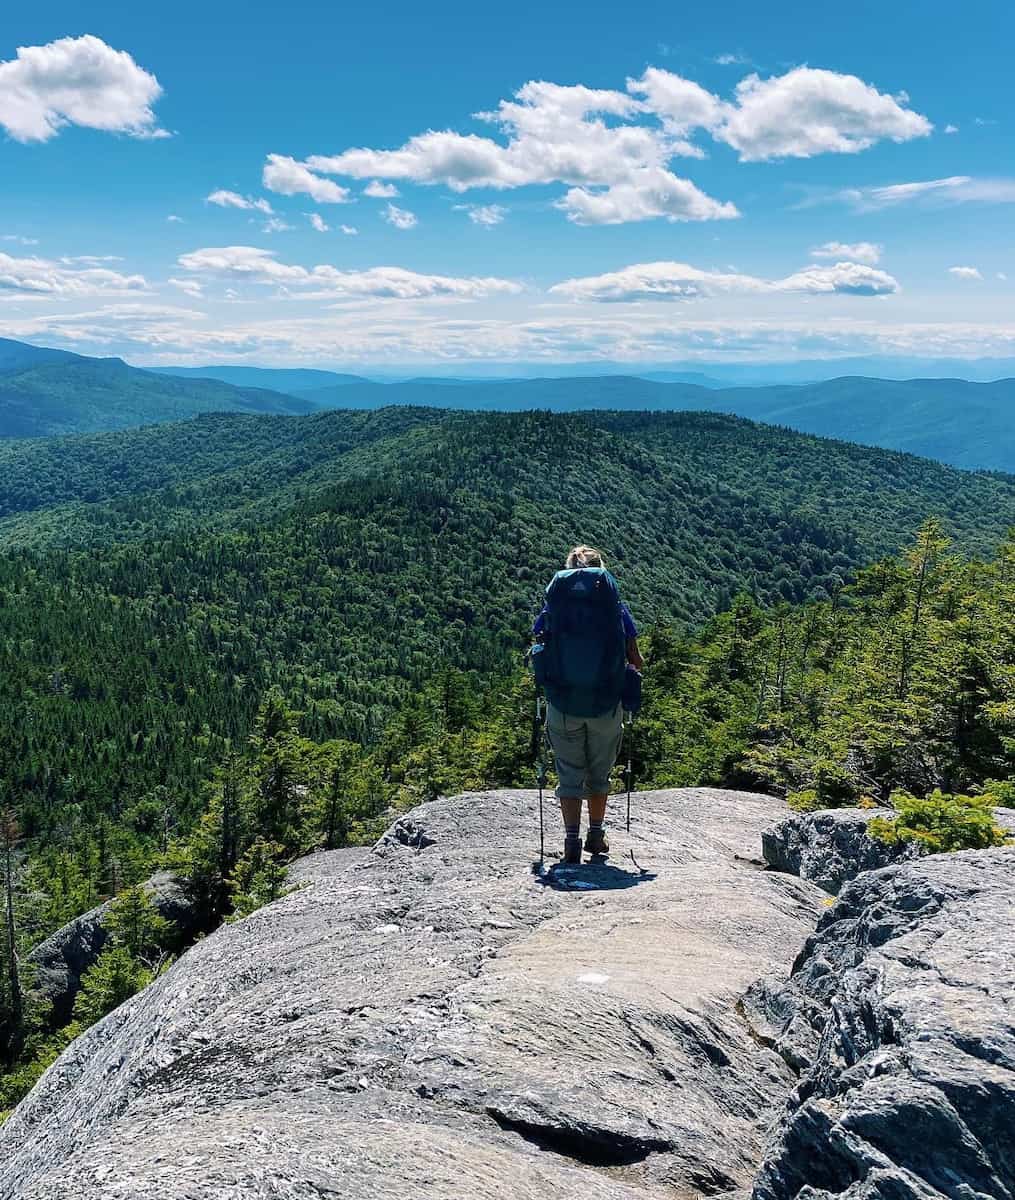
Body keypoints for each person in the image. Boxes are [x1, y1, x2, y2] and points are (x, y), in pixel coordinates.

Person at [533, 545, 643, 865]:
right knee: (599, 773)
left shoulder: (555, 608)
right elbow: (636, 659)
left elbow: (539, 647)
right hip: (605, 705)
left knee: (569, 774)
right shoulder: (615, 610)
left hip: (563, 705)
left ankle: (571, 841)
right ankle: (596, 834)